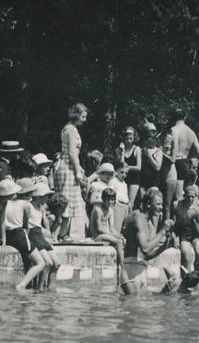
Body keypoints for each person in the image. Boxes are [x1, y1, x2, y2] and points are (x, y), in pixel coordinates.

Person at [119, 190, 174, 295]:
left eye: (161, 204)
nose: (161, 207)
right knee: (133, 306)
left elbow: (147, 255)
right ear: (148, 204)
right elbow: (145, 248)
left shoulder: (149, 224)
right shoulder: (138, 218)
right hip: (130, 269)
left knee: (142, 308)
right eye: (158, 204)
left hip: (142, 269)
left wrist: (165, 246)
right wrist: (162, 231)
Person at [0, 178, 47, 291]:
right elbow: (26, 223)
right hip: (19, 234)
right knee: (40, 263)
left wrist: (3, 239)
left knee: (28, 259)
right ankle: (22, 285)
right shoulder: (26, 205)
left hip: (8, 234)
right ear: (29, 193)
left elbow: (1, 222)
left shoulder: (6, 203)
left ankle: (28, 284)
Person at [54, 102, 88, 240]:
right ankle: (59, 234)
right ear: (76, 115)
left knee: (71, 201)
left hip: (70, 166)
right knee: (66, 201)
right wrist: (78, 172)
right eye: (83, 117)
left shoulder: (69, 128)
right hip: (68, 167)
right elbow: (72, 153)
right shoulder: (71, 130)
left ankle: (63, 234)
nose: (85, 120)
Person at [163, 107, 199, 201]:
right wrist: (192, 159)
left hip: (175, 163)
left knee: (175, 197)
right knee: (183, 194)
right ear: (185, 117)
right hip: (185, 162)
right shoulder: (190, 132)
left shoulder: (173, 130)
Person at [27, 182, 60, 291]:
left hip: (39, 235)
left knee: (57, 263)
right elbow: (26, 224)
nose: (47, 198)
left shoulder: (40, 208)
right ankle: (39, 288)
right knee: (48, 263)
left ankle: (51, 287)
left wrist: (48, 232)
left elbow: (43, 222)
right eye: (46, 196)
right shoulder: (29, 206)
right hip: (33, 234)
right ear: (40, 196)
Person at [90, 187, 126, 279]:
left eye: (112, 200)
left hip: (106, 234)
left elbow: (112, 228)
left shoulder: (110, 210)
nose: (111, 202)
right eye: (108, 200)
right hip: (97, 236)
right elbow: (99, 229)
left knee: (122, 240)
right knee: (118, 242)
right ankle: (123, 268)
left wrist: (119, 235)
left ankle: (123, 262)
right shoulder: (97, 210)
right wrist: (115, 236)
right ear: (103, 199)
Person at [172, 183, 199, 273]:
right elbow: (172, 223)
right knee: (186, 256)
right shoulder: (176, 206)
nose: (190, 199)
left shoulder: (196, 209)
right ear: (184, 196)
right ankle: (186, 276)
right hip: (183, 233)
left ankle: (196, 273)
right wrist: (174, 237)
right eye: (188, 197)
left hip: (194, 233)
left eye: (192, 197)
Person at [118, 126, 142, 207]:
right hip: (123, 177)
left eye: (131, 138)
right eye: (127, 138)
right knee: (122, 201)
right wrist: (122, 151)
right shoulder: (120, 149)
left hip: (134, 178)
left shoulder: (137, 149)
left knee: (130, 203)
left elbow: (139, 167)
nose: (129, 141)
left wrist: (128, 167)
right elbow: (121, 164)